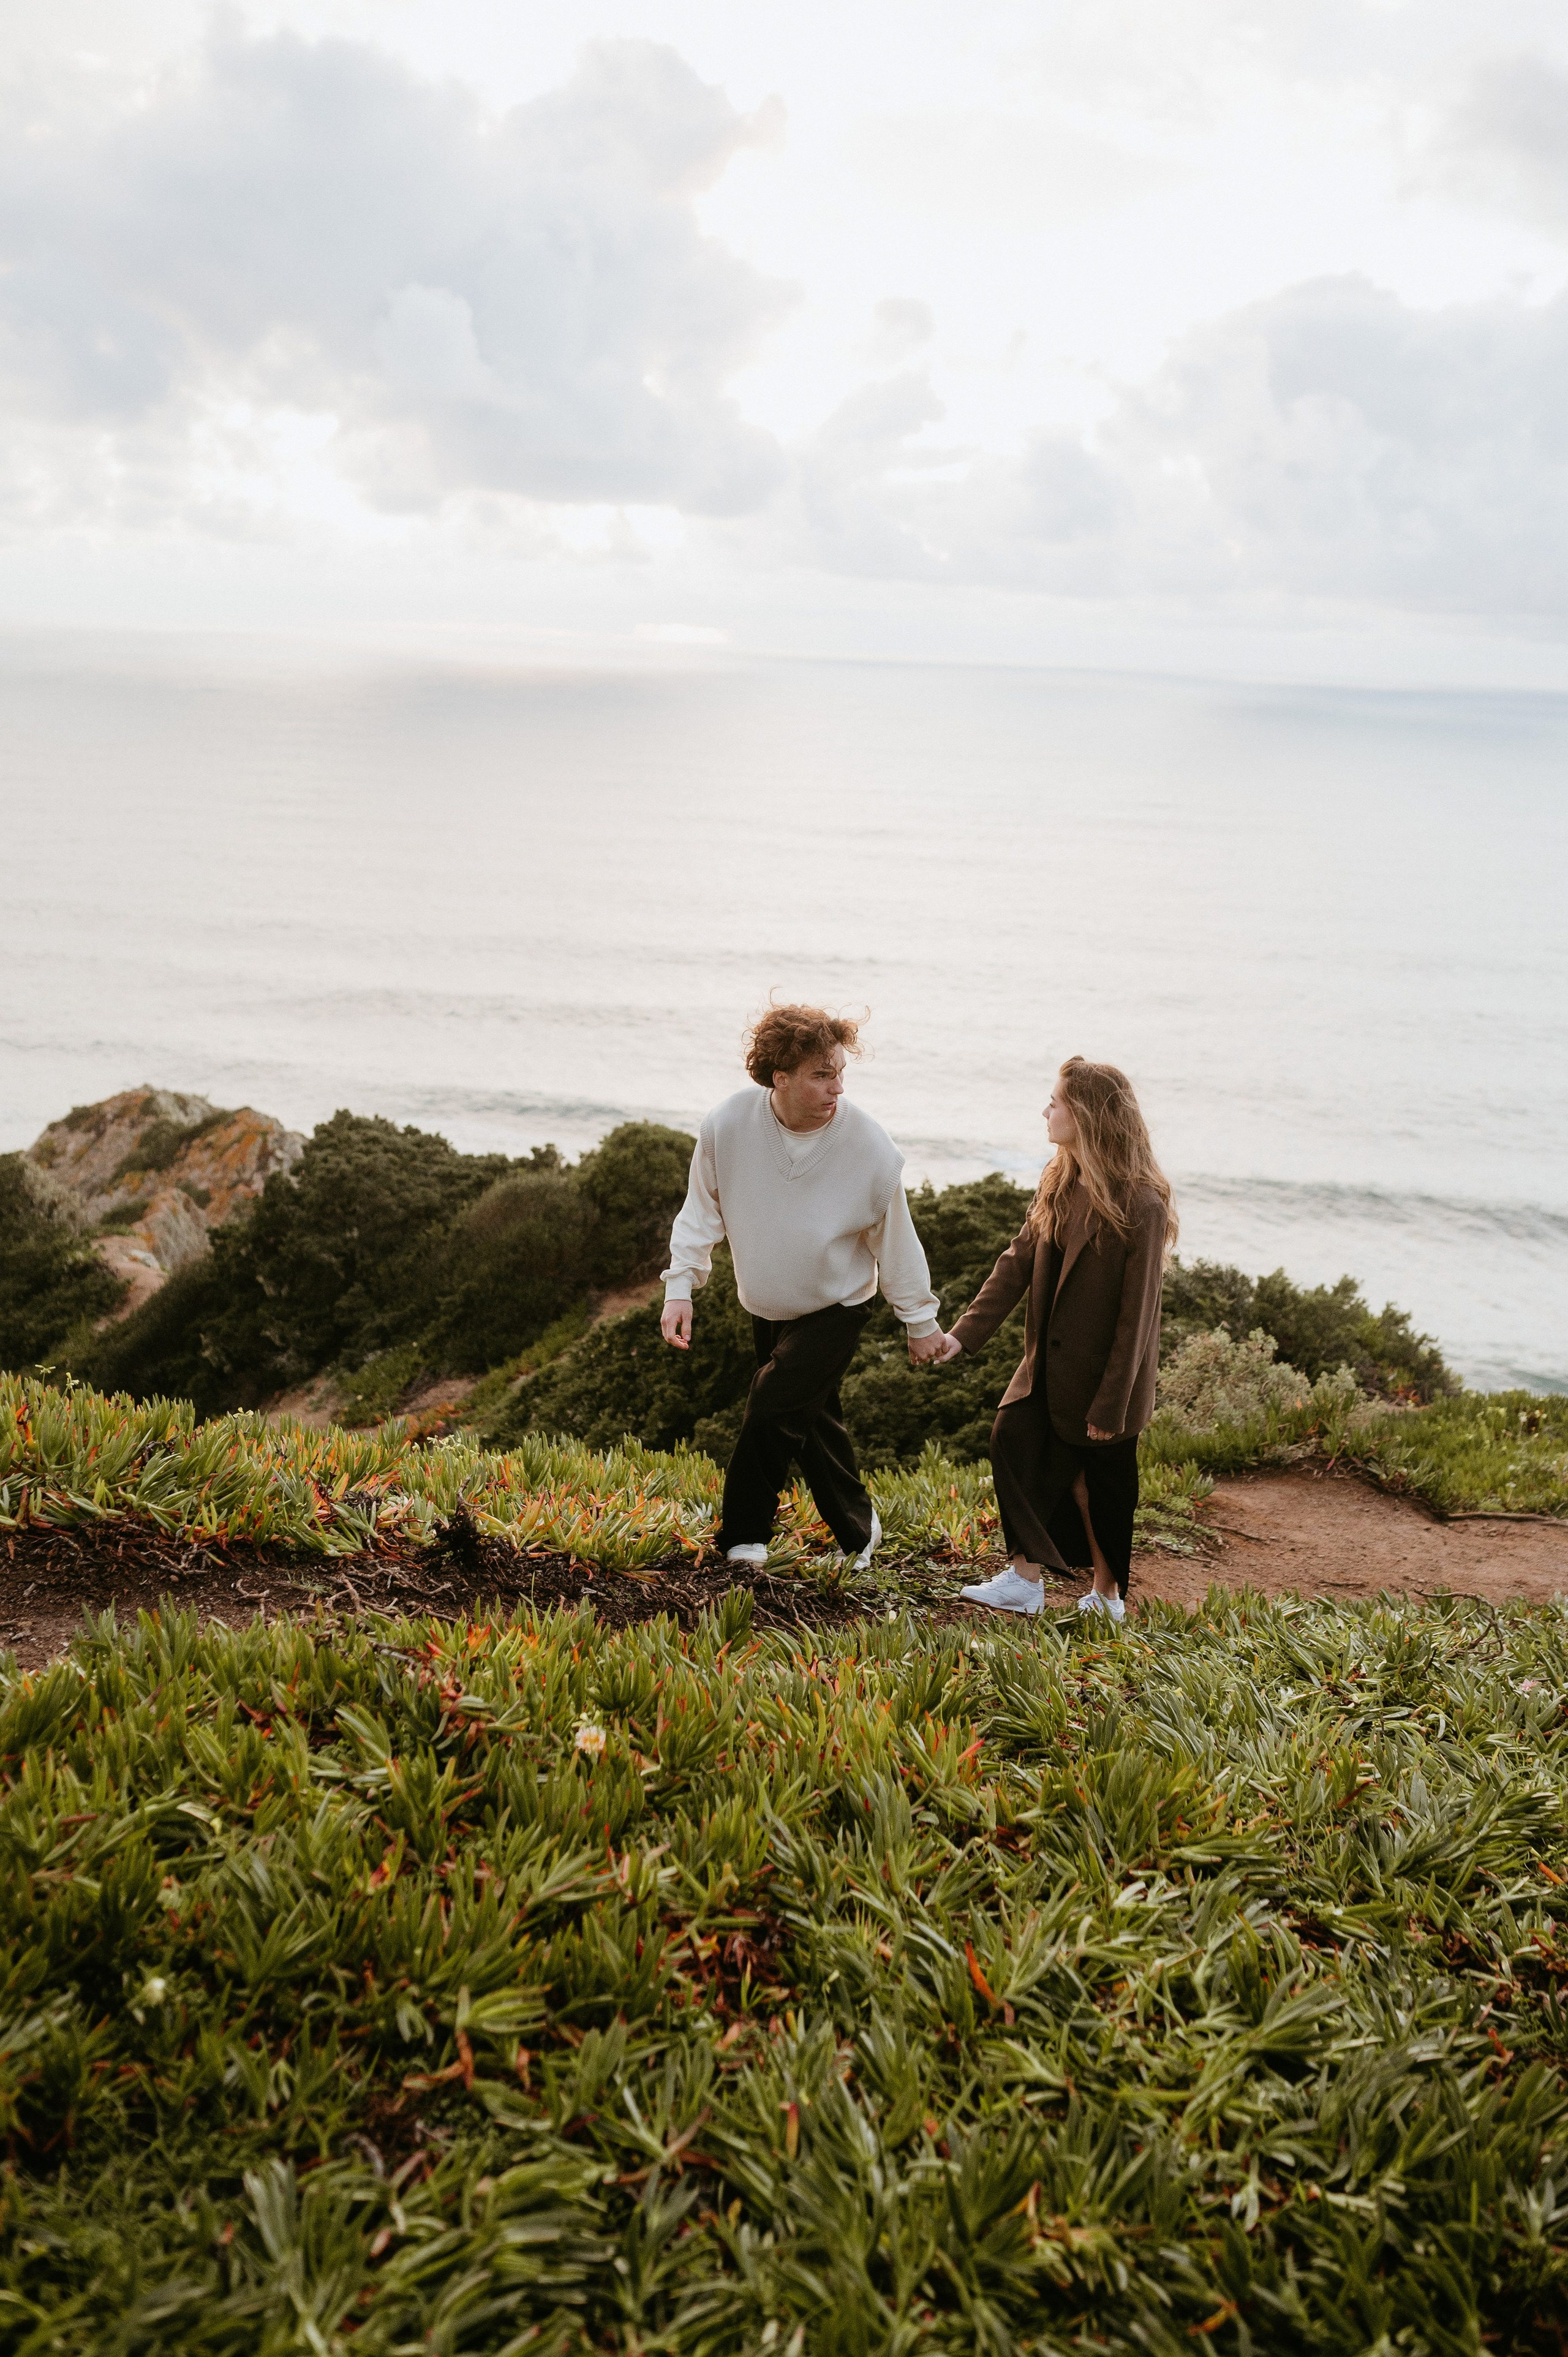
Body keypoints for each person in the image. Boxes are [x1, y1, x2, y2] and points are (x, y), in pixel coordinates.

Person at [661, 1004, 944, 1567]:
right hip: (766, 1307)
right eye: (822, 1075)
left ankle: (744, 1538)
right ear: (779, 1077)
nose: (837, 1087)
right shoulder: (727, 1125)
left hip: (837, 1307)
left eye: (840, 1073)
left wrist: (920, 1320)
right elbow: (702, 1210)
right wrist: (680, 1287)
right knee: (813, 1427)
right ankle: (861, 1535)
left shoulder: (868, 1145)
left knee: (771, 1406)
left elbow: (896, 1241)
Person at [933, 1056, 1177, 1622]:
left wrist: (1111, 1402)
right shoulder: (1061, 1179)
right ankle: (1025, 1580)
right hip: (1047, 1366)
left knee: (1099, 1488)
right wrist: (963, 1337)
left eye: (1056, 1101)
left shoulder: (1142, 1203)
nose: (1046, 1109)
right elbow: (1016, 1262)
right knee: (1012, 1440)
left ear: (1087, 1114)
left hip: (1106, 1379)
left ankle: (1108, 1597)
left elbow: (1136, 1318)